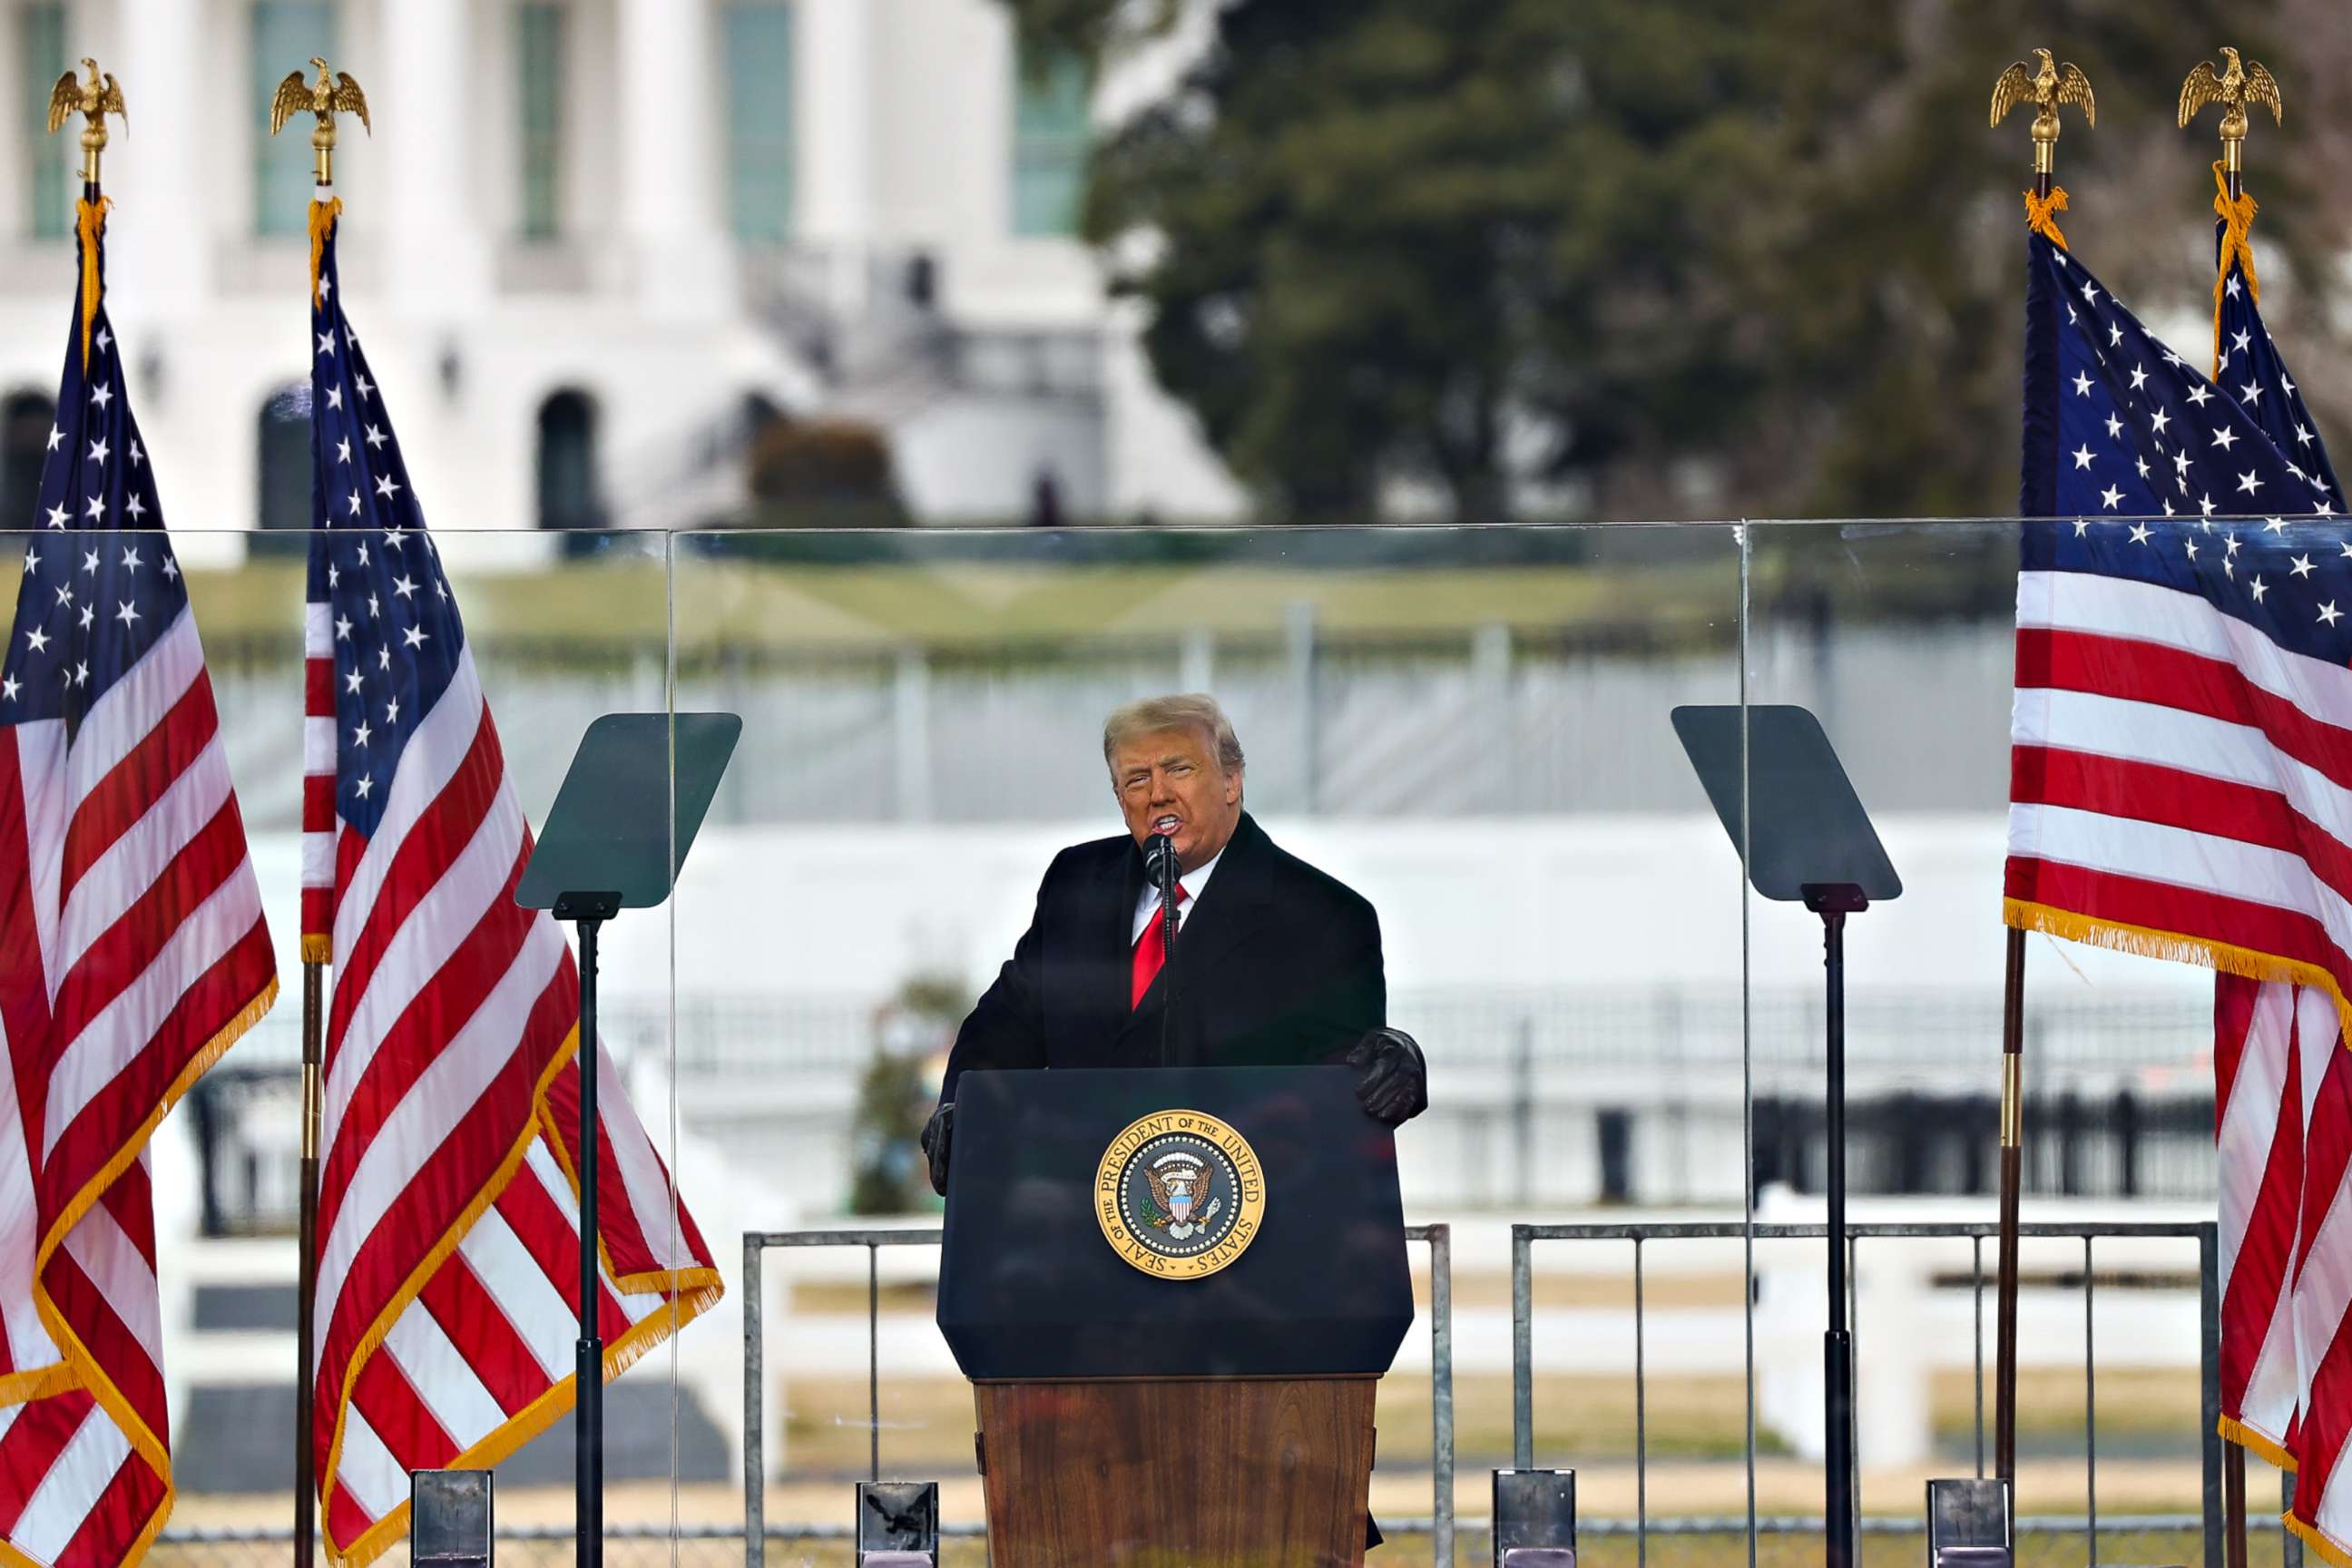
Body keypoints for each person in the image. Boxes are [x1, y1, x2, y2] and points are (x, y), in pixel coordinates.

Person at [921, 691, 1426, 1195]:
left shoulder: (1324, 917)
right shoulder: (1076, 885)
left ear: (1232, 781)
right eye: (1137, 779)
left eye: (1179, 769)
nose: (1157, 794)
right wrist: (963, 1102)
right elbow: (1008, 1022)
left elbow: (1344, 1089)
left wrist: (1393, 1064)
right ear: (1121, 801)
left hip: (1246, 1230)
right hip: (1080, 1215)